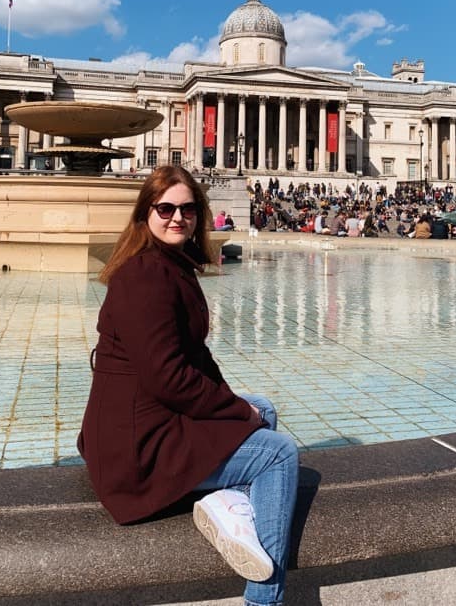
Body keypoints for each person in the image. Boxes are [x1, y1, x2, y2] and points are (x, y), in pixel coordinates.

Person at [78, 166, 299, 606]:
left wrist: (237, 404)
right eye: (166, 208)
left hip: (147, 417)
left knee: (264, 410)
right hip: (136, 447)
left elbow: (196, 358)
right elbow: (169, 378)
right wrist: (237, 413)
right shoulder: (145, 276)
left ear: (199, 214)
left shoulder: (169, 266)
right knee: (278, 453)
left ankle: (227, 503)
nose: (177, 217)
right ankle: (265, 598)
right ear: (146, 214)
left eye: (187, 209)